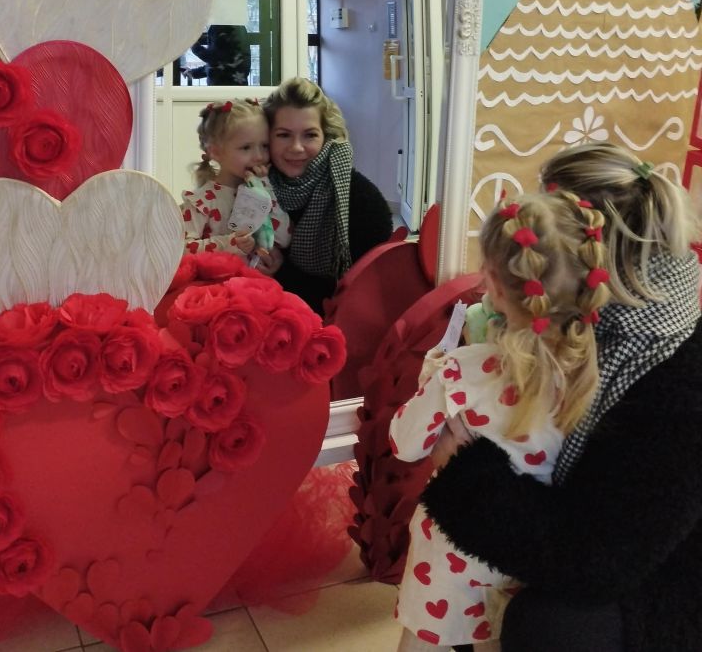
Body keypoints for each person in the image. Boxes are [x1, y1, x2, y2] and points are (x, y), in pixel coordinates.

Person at [421, 142, 702, 652]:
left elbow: (596, 561)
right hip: (616, 538)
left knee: (549, 626)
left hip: (665, 580)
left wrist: (468, 473)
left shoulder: (674, 388)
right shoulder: (603, 324)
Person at [389, 190, 611, 652]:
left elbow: (405, 444)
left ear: (491, 283)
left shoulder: (462, 370)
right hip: (528, 566)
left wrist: (431, 376)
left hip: (450, 558)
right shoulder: (596, 381)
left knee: (423, 643)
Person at [259, 77, 393, 313]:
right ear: (267, 138)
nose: (296, 147)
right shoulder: (254, 188)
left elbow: (360, 297)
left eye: (310, 135)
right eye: (283, 135)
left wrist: (281, 271)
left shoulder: (363, 201)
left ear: (326, 136)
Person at [180, 98, 291, 261]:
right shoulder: (201, 201)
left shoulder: (267, 189)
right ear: (216, 152)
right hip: (215, 276)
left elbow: (284, 239)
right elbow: (181, 250)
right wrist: (229, 243)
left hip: (255, 276)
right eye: (246, 147)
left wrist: (265, 189)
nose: (259, 156)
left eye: (265, 146)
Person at [183, 25, 251, 86]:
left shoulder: (220, 27)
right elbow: (222, 63)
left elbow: (215, 58)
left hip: (222, 88)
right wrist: (194, 73)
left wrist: (194, 45)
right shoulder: (239, 27)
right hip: (237, 86)